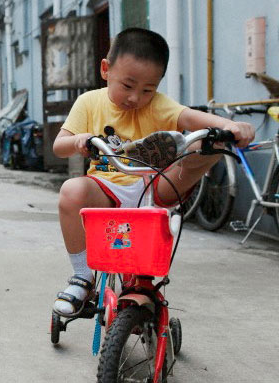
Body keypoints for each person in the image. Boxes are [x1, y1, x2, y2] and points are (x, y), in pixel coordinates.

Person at [52, 28, 255, 316]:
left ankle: (214, 147)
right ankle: (83, 277)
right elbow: (59, 146)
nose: (136, 97)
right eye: (128, 85)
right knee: (71, 191)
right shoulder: (89, 102)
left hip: (155, 187)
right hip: (106, 188)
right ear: (106, 69)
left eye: (148, 89)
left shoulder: (160, 105)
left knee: (205, 145)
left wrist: (230, 127)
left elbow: (192, 117)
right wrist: (78, 140)